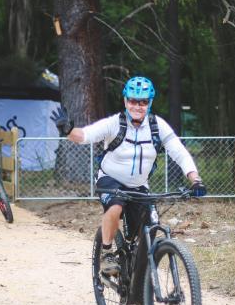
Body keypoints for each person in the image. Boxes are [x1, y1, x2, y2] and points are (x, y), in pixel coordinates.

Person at [50, 76, 206, 279]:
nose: (138, 106)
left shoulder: (158, 126)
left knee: (149, 228)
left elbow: (180, 152)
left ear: (149, 103)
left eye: (143, 102)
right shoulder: (115, 124)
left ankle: (141, 289)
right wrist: (69, 130)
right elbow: (85, 135)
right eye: (133, 101)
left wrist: (195, 179)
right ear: (125, 101)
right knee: (115, 206)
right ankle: (106, 253)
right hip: (110, 180)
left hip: (139, 185)